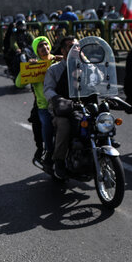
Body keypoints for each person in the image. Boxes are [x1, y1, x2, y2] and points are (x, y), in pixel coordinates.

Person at [44, 36, 84, 180]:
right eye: (71, 46)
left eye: (77, 46)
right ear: (63, 50)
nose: (75, 49)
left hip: (83, 107)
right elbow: (48, 89)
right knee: (64, 125)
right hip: (63, 109)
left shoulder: (85, 65)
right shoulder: (54, 69)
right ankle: (59, 161)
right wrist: (57, 99)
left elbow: (98, 80)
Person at [15, 36, 60, 165]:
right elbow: (19, 83)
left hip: (62, 103)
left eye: (46, 44)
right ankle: (48, 151)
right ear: (36, 50)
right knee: (46, 124)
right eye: (40, 46)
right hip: (45, 106)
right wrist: (28, 67)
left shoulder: (58, 61)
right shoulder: (35, 65)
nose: (44, 48)